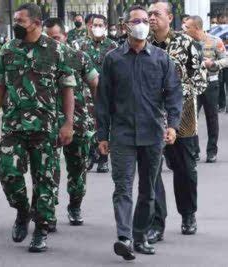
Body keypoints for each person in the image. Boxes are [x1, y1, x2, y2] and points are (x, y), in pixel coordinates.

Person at [0, 3, 76, 252]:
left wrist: (68, 123)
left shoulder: (57, 50)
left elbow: (68, 88)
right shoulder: (9, 49)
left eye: (20, 21)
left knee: (45, 180)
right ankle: (23, 211)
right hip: (14, 125)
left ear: (36, 23)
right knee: (8, 173)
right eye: (15, 20)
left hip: (46, 127)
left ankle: (41, 229)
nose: (16, 25)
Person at [96, 5, 182, 260]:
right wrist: (102, 135)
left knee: (148, 190)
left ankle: (140, 235)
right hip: (122, 134)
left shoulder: (161, 58)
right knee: (122, 187)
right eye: (137, 20)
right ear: (125, 26)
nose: (143, 24)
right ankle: (124, 237)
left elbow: (173, 94)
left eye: (146, 20)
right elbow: (103, 100)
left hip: (153, 133)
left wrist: (172, 125)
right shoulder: (113, 59)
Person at [147, 2, 207, 243]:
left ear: (169, 18)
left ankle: (188, 214)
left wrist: (176, 93)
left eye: (156, 14)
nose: (151, 18)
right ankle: (156, 222)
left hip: (182, 115)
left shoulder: (186, 44)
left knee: (184, 169)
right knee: (151, 171)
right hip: (151, 115)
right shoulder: (143, 44)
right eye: (149, 14)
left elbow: (201, 79)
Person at [44, 17, 99, 229]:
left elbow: (95, 84)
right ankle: (48, 212)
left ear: (65, 37)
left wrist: (98, 116)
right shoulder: (38, 59)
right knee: (47, 169)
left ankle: (75, 206)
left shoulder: (78, 57)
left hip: (78, 122)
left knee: (77, 168)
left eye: (56, 37)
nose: (52, 42)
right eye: (48, 38)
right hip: (48, 122)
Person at [77, 14, 118, 173]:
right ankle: (89, 154)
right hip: (86, 91)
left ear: (106, 27)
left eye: (101, 25)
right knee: (87, 123)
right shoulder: (81, 46)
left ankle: (103, 159)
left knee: (104, 124)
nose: (98, 28)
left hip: (107, 90)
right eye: (95, 25)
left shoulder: (113, 46)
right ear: (90, 26)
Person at [184, 15, 226, 163]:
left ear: (196, 28)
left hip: (210, 83)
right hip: (193, 84)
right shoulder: (185, 42)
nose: (185, 29)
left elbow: (226, 59)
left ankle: (211, 151)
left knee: (212, 118)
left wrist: (213, 63)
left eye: (187, 27)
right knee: (191, 118)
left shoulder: (215, 41)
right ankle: (194, 151)